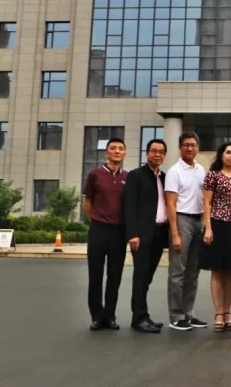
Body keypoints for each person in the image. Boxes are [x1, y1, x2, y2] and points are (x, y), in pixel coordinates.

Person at [201, 140, 231, 332]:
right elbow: (207, 203)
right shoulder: (213, 175)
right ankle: (218, 312)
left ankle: (227, 311)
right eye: (228, 152)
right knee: (218, 270)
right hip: (218, 224)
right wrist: (208, 228)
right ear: (221, 155)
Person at [123, 139, 170, 333]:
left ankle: (143, 315)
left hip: (159, 234)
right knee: (140, 277)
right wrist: (133, 234)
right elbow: (130, 206)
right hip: (142, 235)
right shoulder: (136, 175)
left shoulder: (165, 177)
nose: (157, 154)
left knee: (147, 277)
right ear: (147, 153)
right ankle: (138, 318)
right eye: (154, 151)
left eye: (161, 152)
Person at [83, 137, 129, 331]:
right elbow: (87, 202)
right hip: (99, 229)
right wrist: (95, 220)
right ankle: (96, 316)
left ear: (124, 153)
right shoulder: (95, 174)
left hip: (119, 231)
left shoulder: (128, 177)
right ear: (106, 153)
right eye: (113, 148)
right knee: (95, 275)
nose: (117, 151)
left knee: (114, 276)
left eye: (120, 148)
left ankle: (110, 316)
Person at [164, 131, 207, 331]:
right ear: (180, 147)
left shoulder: (201, 170)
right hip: (182, 220)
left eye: (193, 145)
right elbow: (171, 204)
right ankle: (176, 316)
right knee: (178, 271)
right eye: (186, 145)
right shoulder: (174, 172)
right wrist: (175, 233)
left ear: (198, 147)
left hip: (199, 221)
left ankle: (188, 313)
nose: (190, 148)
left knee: (193, 272)